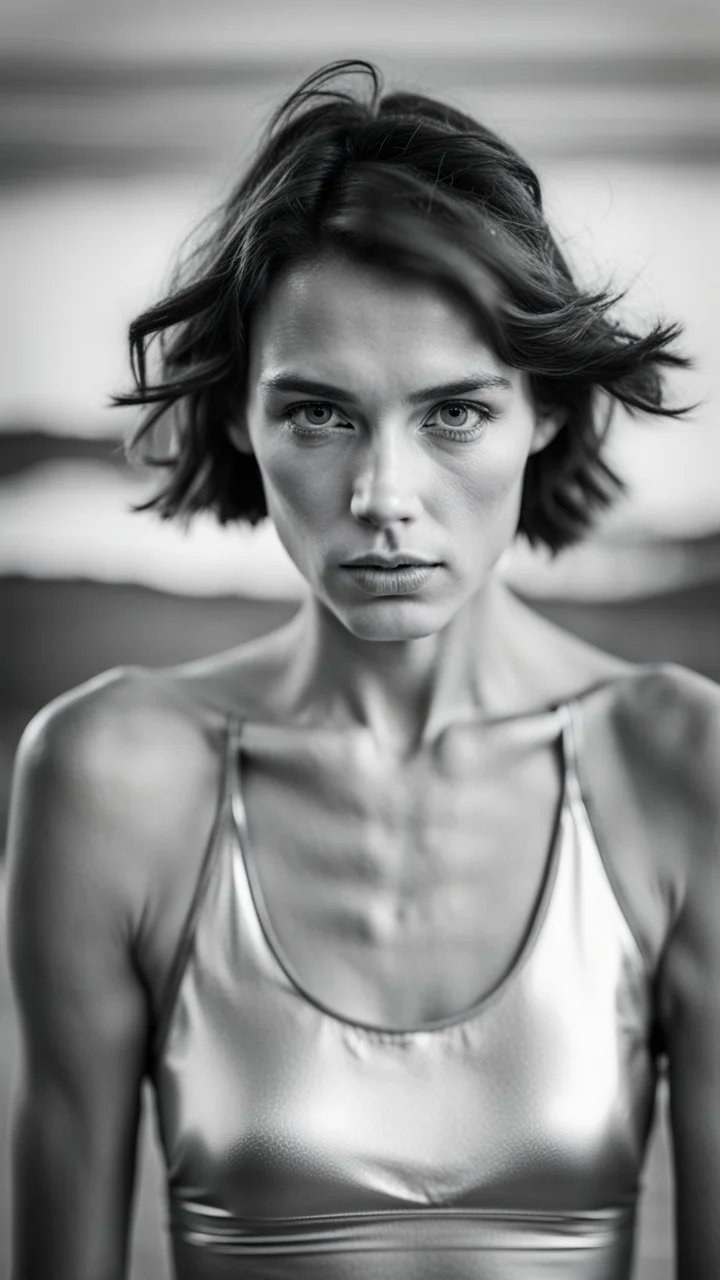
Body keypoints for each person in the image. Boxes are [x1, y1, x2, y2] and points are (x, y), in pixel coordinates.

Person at [6, 59, 719, 1280]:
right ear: (238, 414)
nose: (384, 498)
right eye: (321, 414)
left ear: (543, 409)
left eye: (453, 412)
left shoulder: (682, 766)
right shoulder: (110, 777)